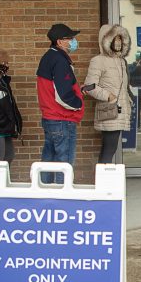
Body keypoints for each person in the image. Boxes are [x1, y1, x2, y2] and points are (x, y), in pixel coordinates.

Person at [36, 23, 85, 184]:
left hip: (50, 117)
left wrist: (77, 90)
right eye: (69, 38)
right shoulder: (59, 60)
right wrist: (78, 103)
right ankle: (61, 197)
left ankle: (44, 192)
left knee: (49, 159)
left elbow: (54, 88)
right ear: (59, 42)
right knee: (64, 162)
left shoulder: (48, 57)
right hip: (62, 118)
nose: (73, 41)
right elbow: (63, 95)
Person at [83, 24, 132, 164]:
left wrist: (127, 98)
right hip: (109, 110)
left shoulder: (121, 61)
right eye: (114, 39)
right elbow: (89, 86)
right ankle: (104, 182)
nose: (118, 43)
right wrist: (108, 96)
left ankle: (104, 180)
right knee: (109, 148)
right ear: (106, 41)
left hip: (121, 109)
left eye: (120, 39)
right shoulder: (98, 61)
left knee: (110, 147)